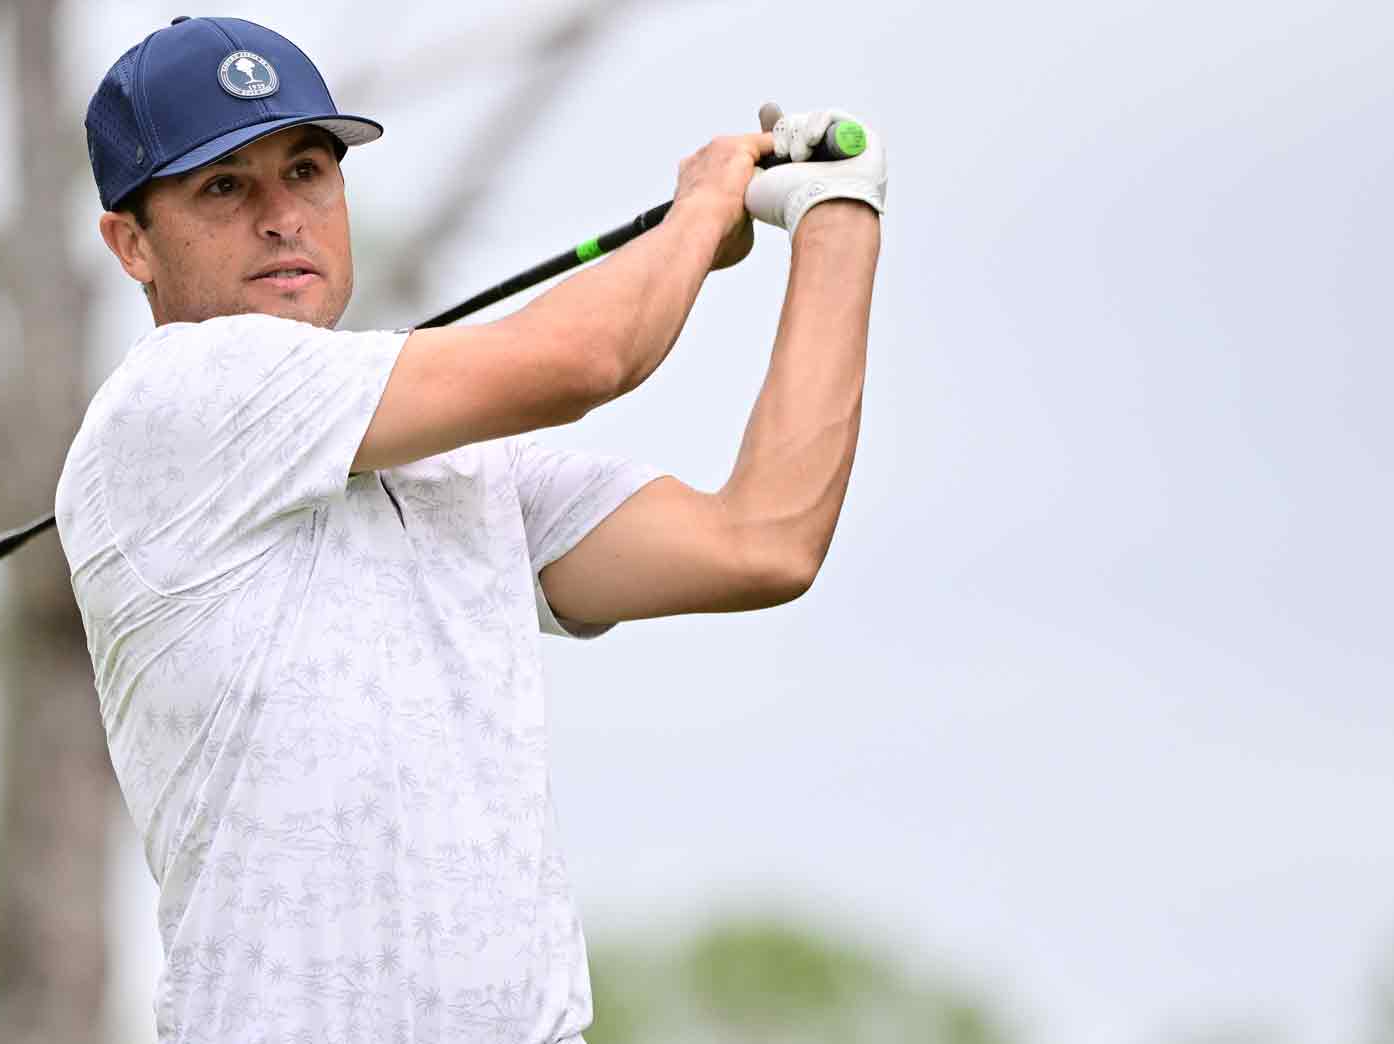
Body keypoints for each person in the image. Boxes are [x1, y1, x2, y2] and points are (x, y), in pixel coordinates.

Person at [57, 15, 886, 1044]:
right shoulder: (176, 397)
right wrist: (697, 217)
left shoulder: (460, 468)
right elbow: (583, 362)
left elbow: (759, 542)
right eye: (224, 186)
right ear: (129, 242)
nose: (282, 217)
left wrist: (836, 214)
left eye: (307, 171)